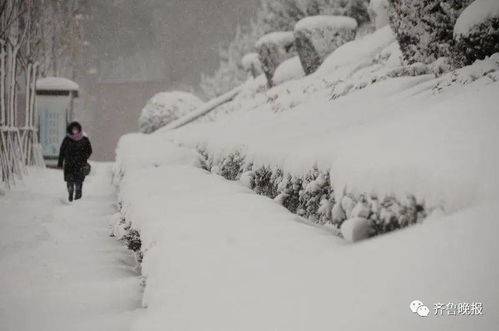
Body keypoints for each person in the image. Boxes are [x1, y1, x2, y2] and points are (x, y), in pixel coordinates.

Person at [57, 121, 93, 202]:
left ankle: (78, 196)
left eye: (76, 129)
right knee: (70, 180)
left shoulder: (84, 139)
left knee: (79, 181)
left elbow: (89, 150)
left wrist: (84, 157)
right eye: (73, 129)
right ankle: (70, 193)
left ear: (79, 129)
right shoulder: (67, 139)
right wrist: (60, 163)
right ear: (70, 129)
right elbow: (62, 151)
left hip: (80, 164)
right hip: (69, 164)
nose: (75, 130)